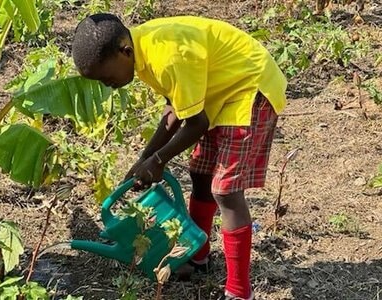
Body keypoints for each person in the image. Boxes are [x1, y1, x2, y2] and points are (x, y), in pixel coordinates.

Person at [72, 13, 287, 300]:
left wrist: (159, 161)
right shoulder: (142, 51)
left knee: (226, 190)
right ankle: (199, 255)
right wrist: (145, 158)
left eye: (106, 77)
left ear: (124, 51)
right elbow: (174, 111)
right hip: (219, 94)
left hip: (250, 88)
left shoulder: (167, 56)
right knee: (200, 173)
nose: (106, 85)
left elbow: (195, 123)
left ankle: (238, 290)